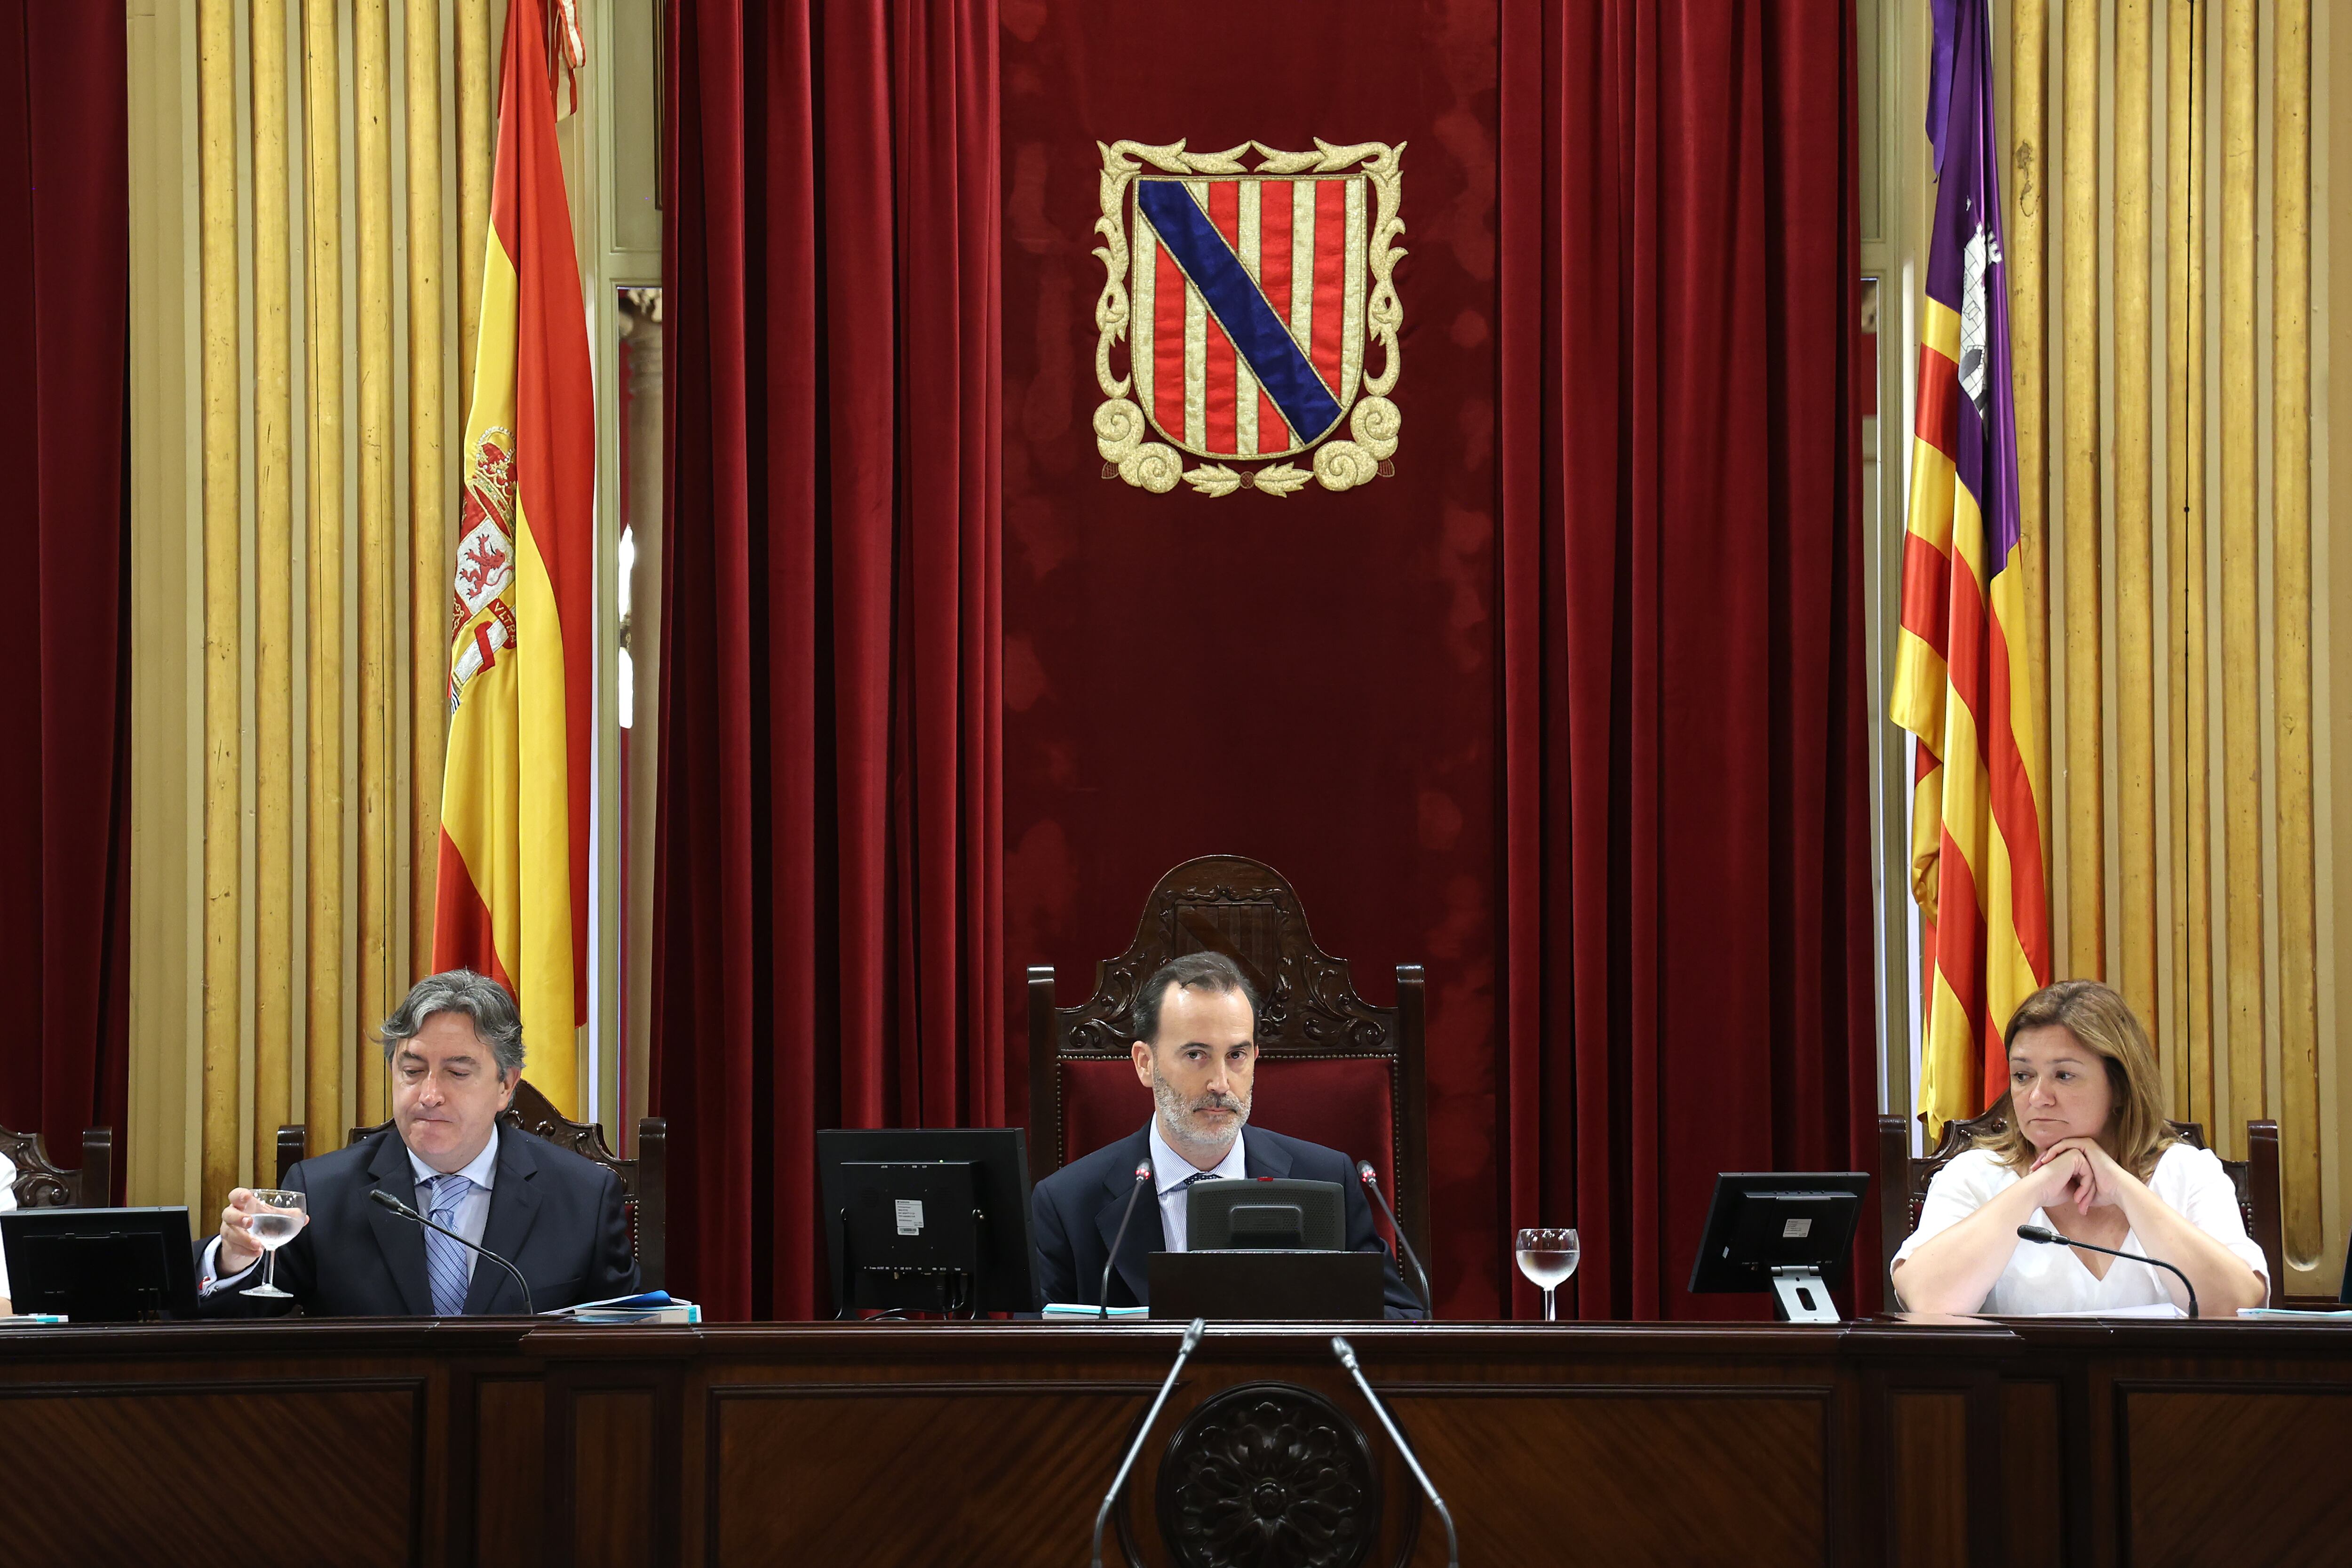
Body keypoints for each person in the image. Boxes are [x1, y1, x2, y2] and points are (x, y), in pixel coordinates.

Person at [198, 969, 638, 1316]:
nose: (429, 1095)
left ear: (506, 1085)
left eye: (457, 1072)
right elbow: (241, 1325)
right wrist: (233, 1260)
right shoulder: (322, 1192)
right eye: (412, 1070)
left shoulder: (584, 1198)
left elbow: (625, 1347)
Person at [1029, 950, 1422, 1318]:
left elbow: (1400, 1318)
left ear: (1254, 1058)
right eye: (1196, 1054)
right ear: (1145, 1064)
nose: (1220, 1083)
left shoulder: (1326, 1178)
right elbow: (1035, 1357)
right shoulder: (1066, 1204)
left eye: (1235, 1055)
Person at [1891, 979, 2268, 1316]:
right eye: (2023, 1075)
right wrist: (2036, 1187)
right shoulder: (1974, 1175)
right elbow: (1928, 1301)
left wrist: (2122, 1188)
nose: (2038, 1097)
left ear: (2119, 1087)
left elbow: (2235, 1307)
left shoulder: (2187, 1172)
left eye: (2064, 1075)